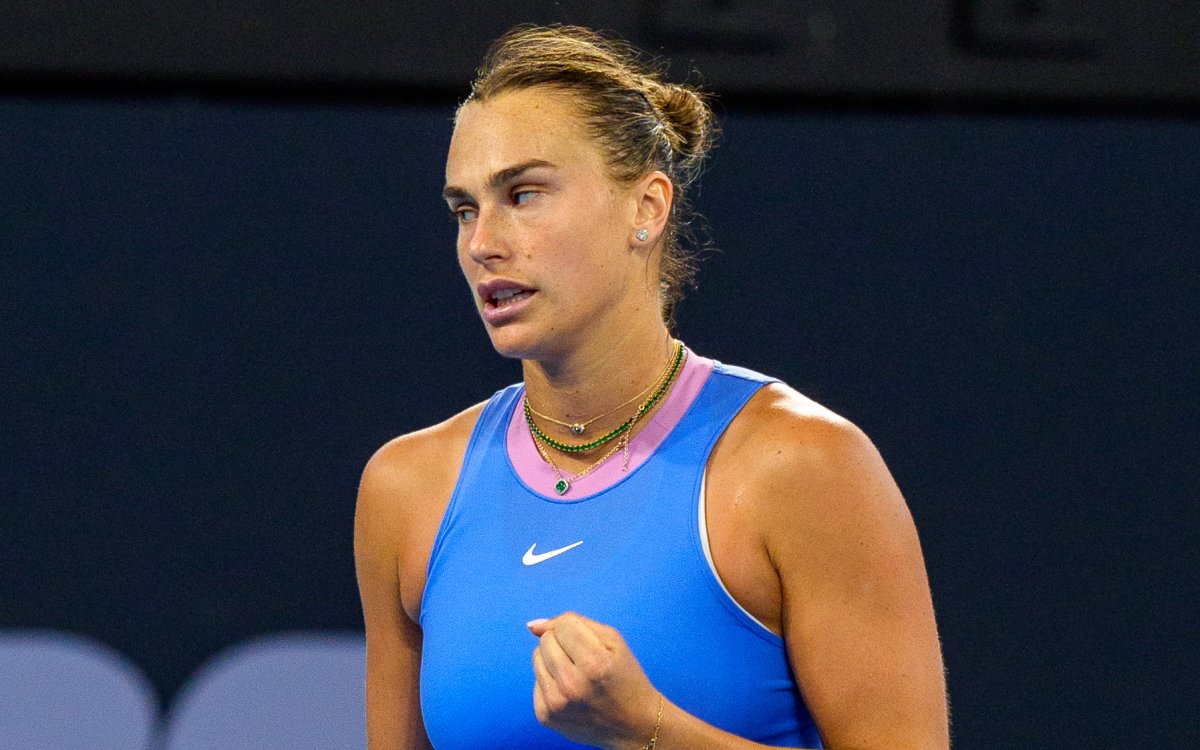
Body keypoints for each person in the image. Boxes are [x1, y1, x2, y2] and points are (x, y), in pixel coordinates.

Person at [355, 24, 948, 750]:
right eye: (465, 209)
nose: (482, 243)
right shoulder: (406, 489)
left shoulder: (803, 466)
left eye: (524, 194)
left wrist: (647, 730)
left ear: (647, 207)